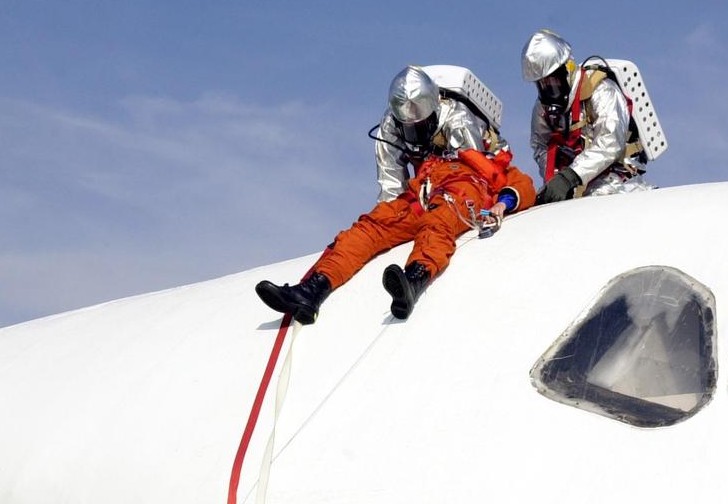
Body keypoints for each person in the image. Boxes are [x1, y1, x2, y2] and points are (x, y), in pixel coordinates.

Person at [256, 65, 536, 323]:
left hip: (459, 193)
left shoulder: (488, 159)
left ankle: (414, 278)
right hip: (421, 193)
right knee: (369, 228)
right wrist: (390, 213)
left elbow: (520, 186)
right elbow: (392, 189)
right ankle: (313, 288)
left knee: (437, 223)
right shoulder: (393, 131)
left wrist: (503, 203)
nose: (416, 134)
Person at [522, 29, 643, 203]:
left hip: (616, 174)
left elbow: (610, 141)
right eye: (542, 84)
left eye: (553, 81)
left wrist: (571, 176)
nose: (549, 89)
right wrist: (555, 181)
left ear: (568, 69)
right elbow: (540, 145)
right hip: (577, 181)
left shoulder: (601, 90)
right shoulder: (543, 108)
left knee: (596, 206)